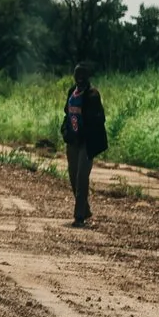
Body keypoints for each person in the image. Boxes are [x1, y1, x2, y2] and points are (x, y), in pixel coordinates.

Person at [59, 64, 108, 226]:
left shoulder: (93, 95)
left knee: (82, 178)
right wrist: (65, 130)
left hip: (86, 143)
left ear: (88, 77)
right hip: (72, 141)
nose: (79, 78)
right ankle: (84, 209)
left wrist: (85, 133)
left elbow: (98, 120)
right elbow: (68, 113)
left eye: (83, 75)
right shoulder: (71, 92)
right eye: (77, 74)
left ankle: (79, 216)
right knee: (73, 176)